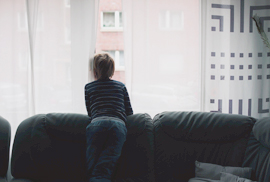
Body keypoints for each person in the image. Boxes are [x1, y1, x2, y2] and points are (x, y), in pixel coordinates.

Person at [85, 52, 133, 182]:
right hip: (117, 125)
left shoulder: (89, 87)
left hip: (96, 124)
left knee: (92, 162)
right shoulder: (121, 86)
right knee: (107, 163)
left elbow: (90, 112)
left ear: (94, 71)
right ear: (112, 70)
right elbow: (129, 112)